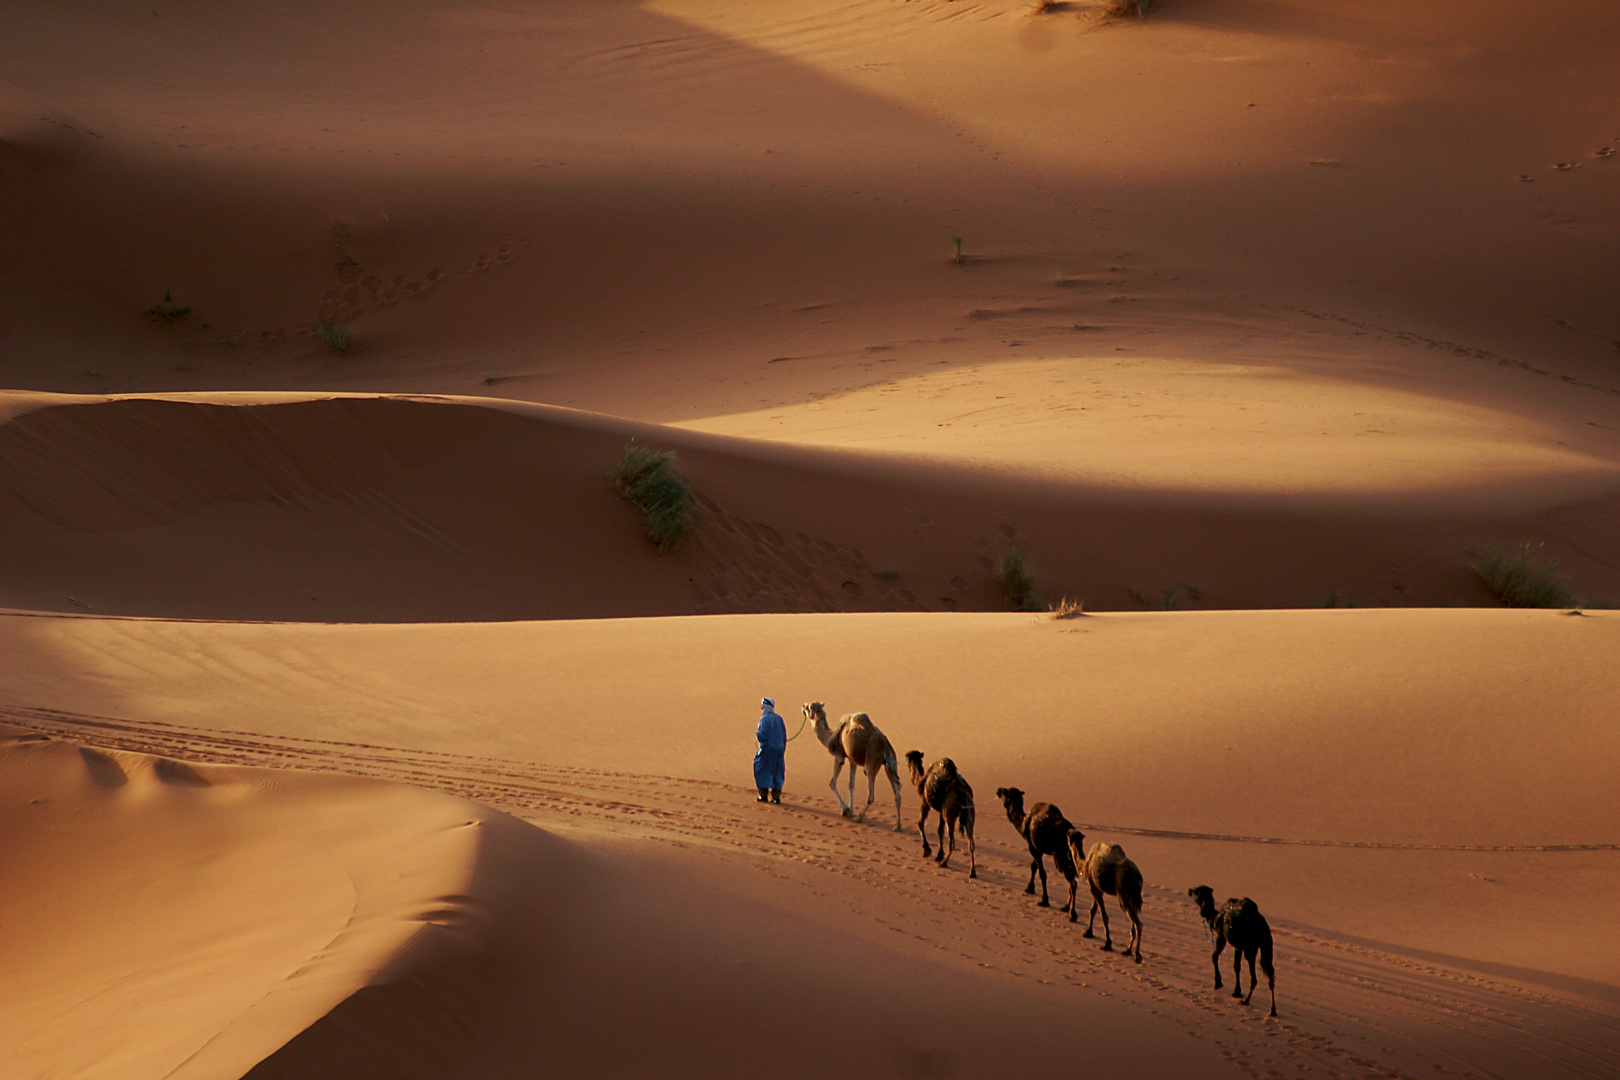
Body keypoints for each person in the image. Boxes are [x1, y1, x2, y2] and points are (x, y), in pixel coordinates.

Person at [753, 697, 787, 804]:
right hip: (779, 750)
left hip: (767, 750)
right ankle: (776, 797)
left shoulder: (764, 719)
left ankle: (763, 796)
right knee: (777, 770)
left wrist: (757, 735)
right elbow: (784, 735)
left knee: (761, 768)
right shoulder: (779, 719)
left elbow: (761, 735)